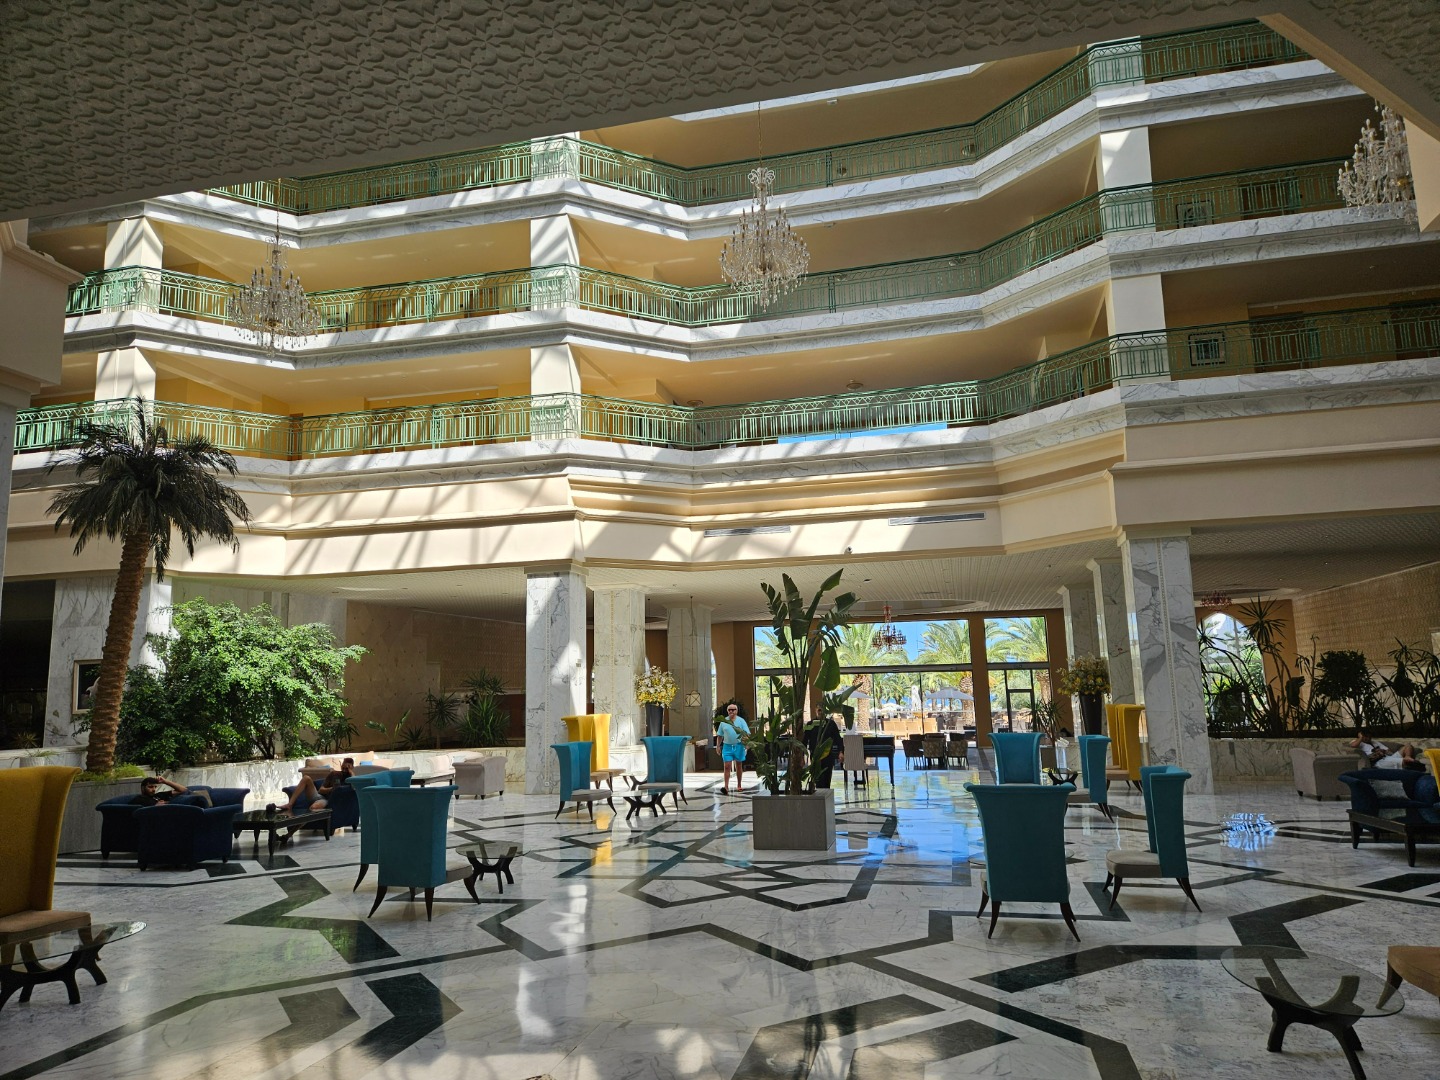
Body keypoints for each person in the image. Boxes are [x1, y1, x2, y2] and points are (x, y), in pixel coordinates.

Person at [285, 757, 355, 811]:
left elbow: (354, 788)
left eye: (347, 768)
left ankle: (323, 816)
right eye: (343, 768)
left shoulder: (351, 779)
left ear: (352, 767)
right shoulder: (334, 774)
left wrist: (351, 772)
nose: (344, 770)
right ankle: (290, 804)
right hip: (320, 796)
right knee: (306, 778)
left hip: (327, 801)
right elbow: (321, 790)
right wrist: (332, 789)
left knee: (314, 807)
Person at [713, 704, 750, 794]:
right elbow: (720, 735)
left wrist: (746, 744)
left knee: (739, 765)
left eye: (733, 709)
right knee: (727, 766)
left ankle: (739, 785)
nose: (731, 711)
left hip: (739, 746)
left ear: (736, 711)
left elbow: (747, 733)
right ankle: (726, 787)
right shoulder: (724, 722)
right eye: (729, 710)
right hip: (727, 746)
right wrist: (718, 746)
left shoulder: (741, 721)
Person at [1348, 730, 1423, 771]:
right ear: (1362, 736)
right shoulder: (1358, 742)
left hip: (1387, 756)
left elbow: (1388, 751)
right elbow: (1353, 745)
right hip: (1378, 761)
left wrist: (1383, 751)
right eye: (1366, 737)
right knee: (1406, 762)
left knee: (1408, 746)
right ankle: (1413, 765)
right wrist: (1360, 738)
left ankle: (1408, 756)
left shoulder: (1375, 742)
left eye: (1369, 737)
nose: (1368, 739)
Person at [130, 775, 194, 806]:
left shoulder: (159, 795)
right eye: (150, 787)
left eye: (155, 787)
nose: (154, 789)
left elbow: (183, 790)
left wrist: (165, 781)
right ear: (143, 788)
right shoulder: (139, 799)